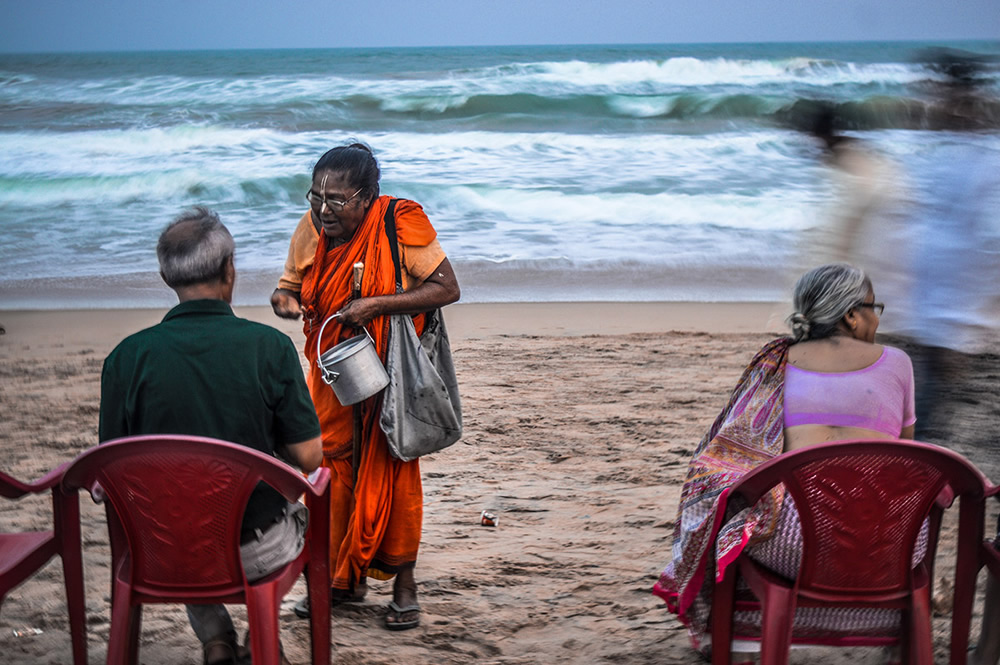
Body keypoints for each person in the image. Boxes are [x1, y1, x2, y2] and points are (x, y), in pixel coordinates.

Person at [653, 263, 917, 661]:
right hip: (891, 546)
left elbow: (731, 452)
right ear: (850, 315)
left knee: (742, 512)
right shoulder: (898, 363)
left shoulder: (776, 362)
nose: (877, 316)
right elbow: (907, 456)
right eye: (874, 306)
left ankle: (740, 639)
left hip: (795, 546)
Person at [100, 207, 323, 665]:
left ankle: (216, 639)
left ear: (166, 277)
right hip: (255, 552)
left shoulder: (125, 358)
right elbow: (310, 456)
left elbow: (108, 471)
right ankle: (260, 637)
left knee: (179, 499)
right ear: (229, 270)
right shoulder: (269, 347)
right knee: (296, 506)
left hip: (160, 551)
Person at [270, 143, 460, 631]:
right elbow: (288, 286)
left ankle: (404, 584)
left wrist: (376, 305)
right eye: (316, 197)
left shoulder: (400, 221)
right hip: (333, 373)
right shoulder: (313, 227)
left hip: (391, 374)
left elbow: (446, 288)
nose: (324, 210)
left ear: (368, 196)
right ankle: (339, 580)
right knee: (331, 469)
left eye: (338, 200)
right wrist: (285, 301)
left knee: (393, 466)